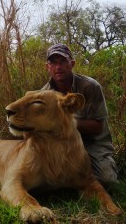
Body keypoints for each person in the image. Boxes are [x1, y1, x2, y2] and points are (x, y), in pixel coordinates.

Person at [42, 43, 118, 186]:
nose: (58, 67)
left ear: (72, 64)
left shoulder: (90, 87)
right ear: (48, 67)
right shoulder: (43, 94)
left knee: (107, 180)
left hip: (92, 143)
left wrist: (64, 121)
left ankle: (102, 163)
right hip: (62, 144)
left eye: (63, 61)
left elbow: (97, 127)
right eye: (53, 62)